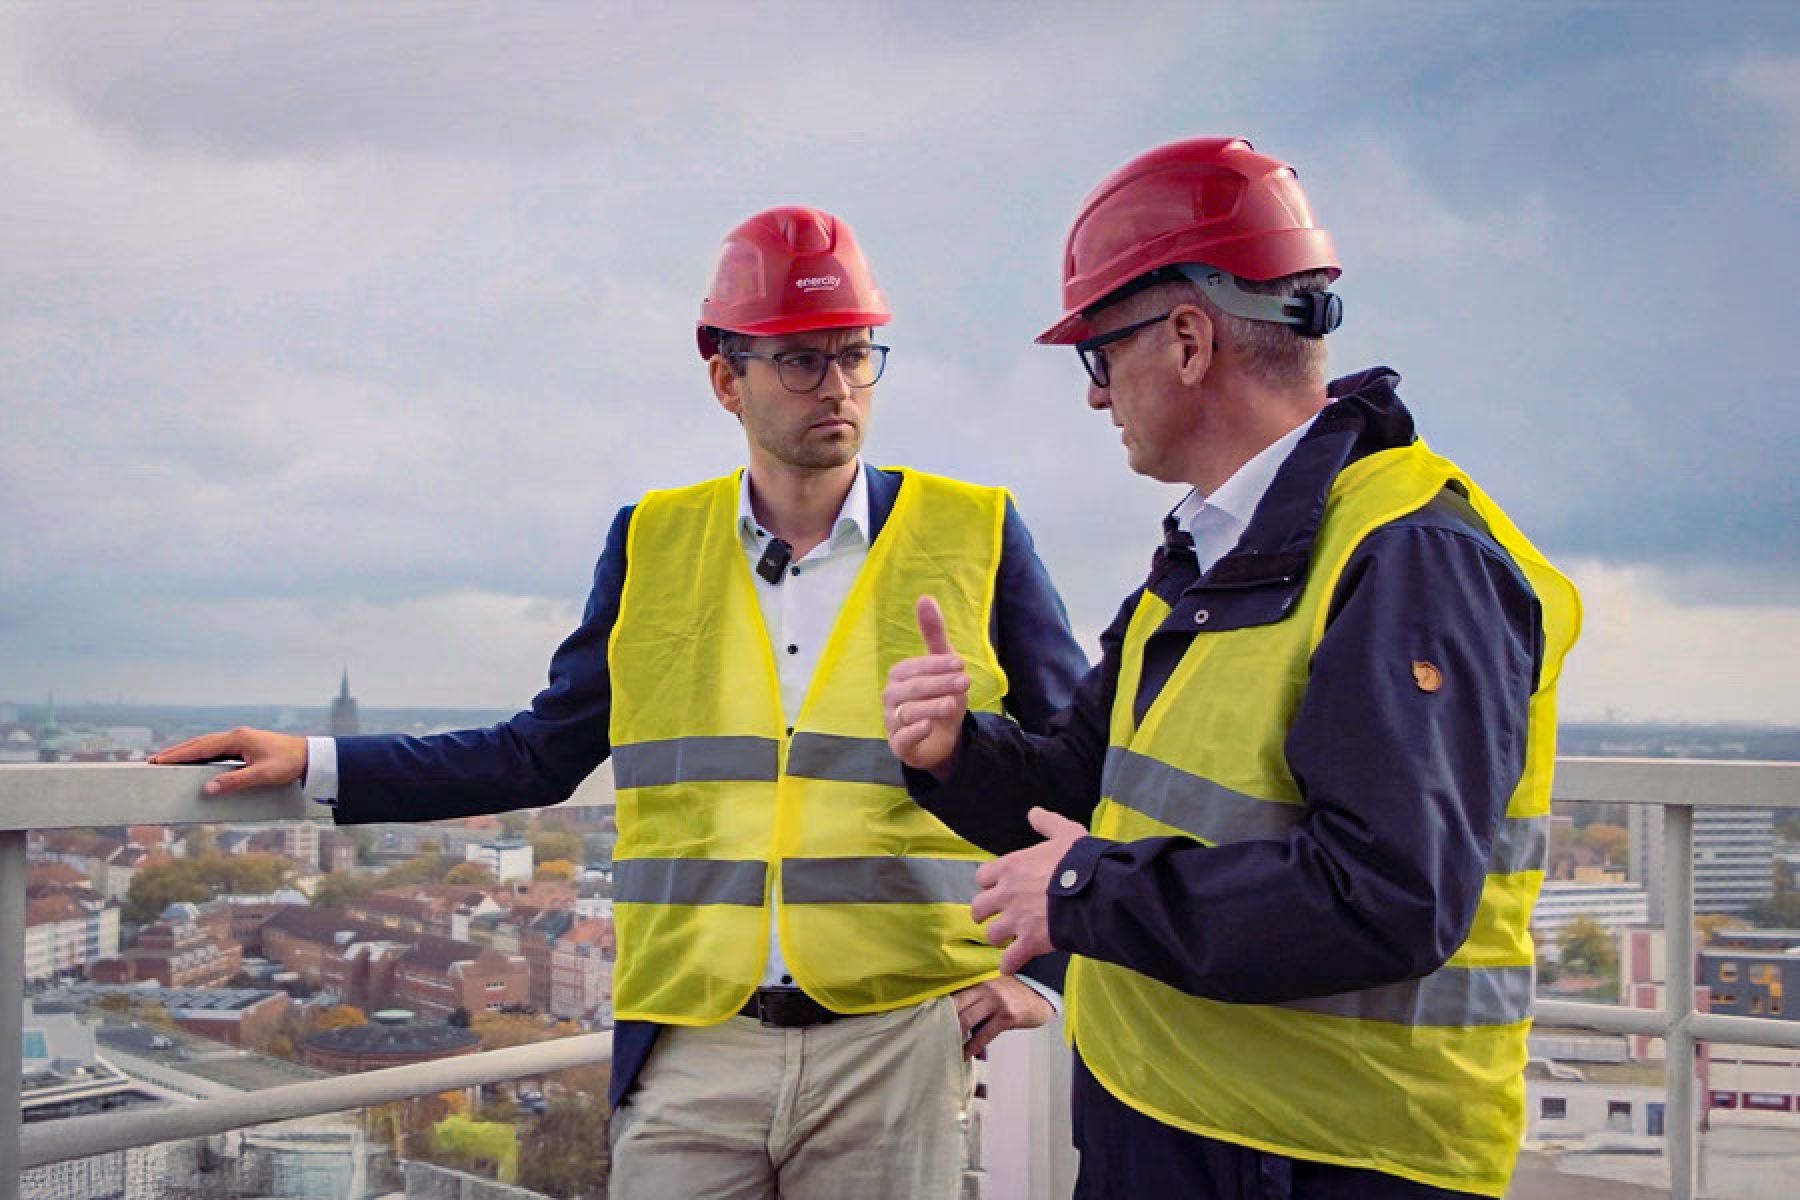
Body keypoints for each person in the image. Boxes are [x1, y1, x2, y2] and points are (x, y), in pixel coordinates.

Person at [153, 205, 1088, 1200]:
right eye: (803, 361)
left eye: (858, 357)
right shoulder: (651, 541)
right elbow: (536, 755)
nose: (841, 388)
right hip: (691, 1049)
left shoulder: (978, 531)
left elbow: (1081, 776)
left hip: (899, 1042)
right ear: (727, 379)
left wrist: (1041, 976)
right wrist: (318, 760)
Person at [881, 138, 1581, 1199]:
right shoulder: (1208, 555)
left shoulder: (1408, 558)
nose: (1096, 395)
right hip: (1168, 1121)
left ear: (1189, 340)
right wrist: (954, 757)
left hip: (1330, 1160)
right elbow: (1081, 786)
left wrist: (1082, 887)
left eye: (1099, 355)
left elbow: (1390, 896)